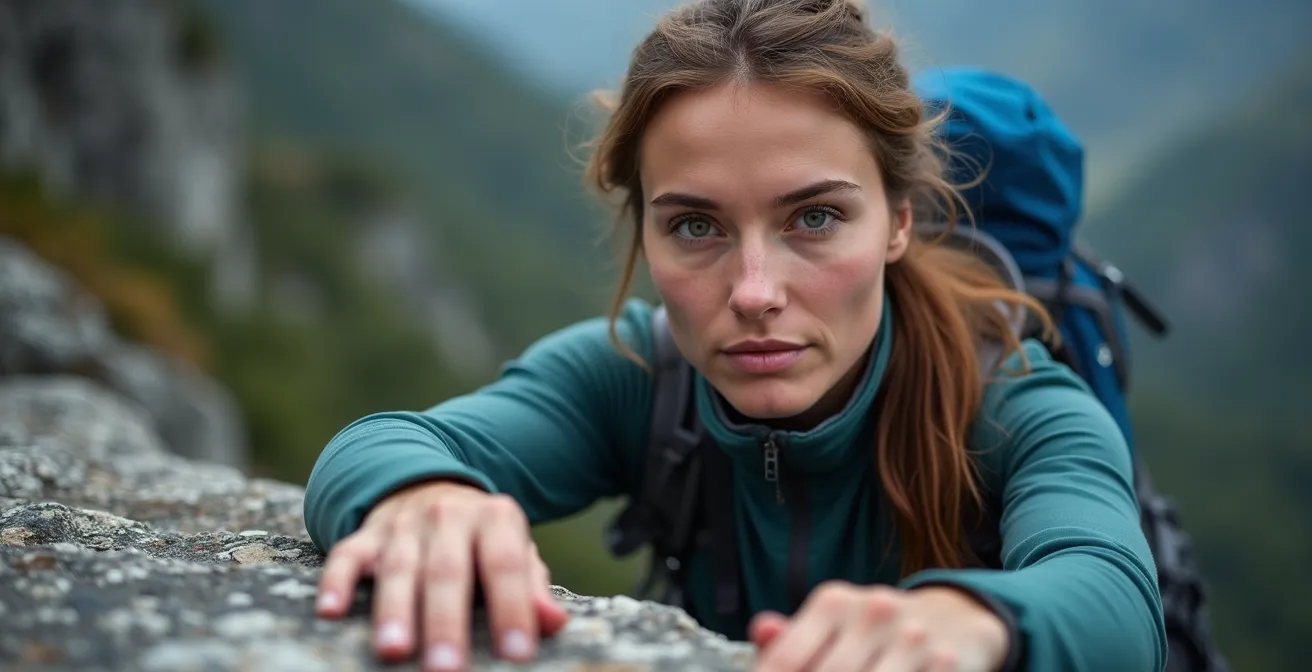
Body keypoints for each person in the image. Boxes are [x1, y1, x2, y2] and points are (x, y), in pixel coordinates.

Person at [303, 1, 1168, 670]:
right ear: (645, 233)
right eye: (696, 227)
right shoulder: (640, 376)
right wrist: (423, 498)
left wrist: (968, 621)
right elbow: (381, 444)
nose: (754, 294)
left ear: (899, 222)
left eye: (816, 217)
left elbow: (1118, 602)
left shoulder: (1013, 399)